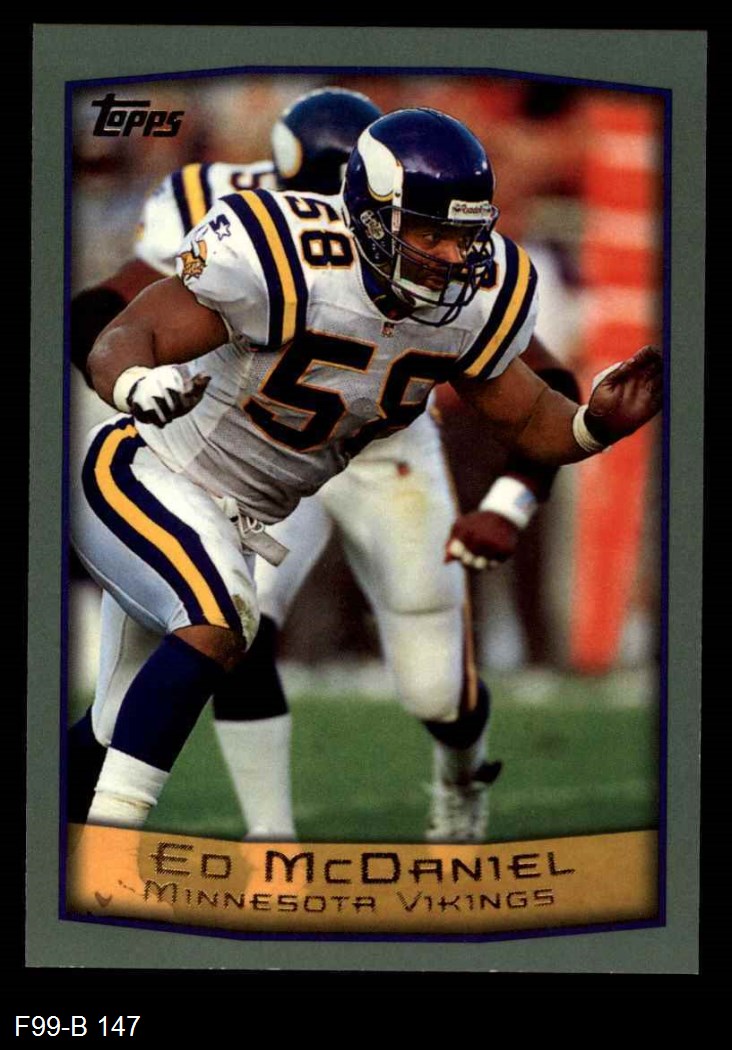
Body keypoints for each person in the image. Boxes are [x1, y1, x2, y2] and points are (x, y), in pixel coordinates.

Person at [70, 106, 661, 839]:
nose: (452, 256)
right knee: (222, 618)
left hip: (265, 506)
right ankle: (128, 848)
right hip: (149, 469)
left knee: (113, 723)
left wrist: (594, 426)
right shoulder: (279, 250)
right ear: (371, 216)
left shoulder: (479, 295)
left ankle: (62, 836)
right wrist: (136, 381)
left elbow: (534, 414)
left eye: (464, 235)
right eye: (430, 233)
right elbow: (128, 329)